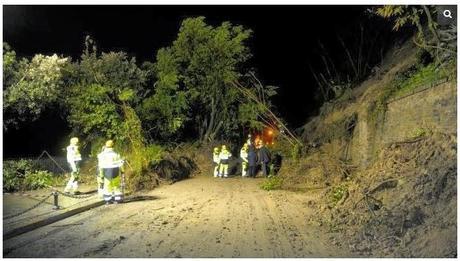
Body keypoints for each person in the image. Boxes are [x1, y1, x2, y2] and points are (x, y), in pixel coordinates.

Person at [98, 140, 124, 204]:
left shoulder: (102, 155)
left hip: (106, 171)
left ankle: (108, 200)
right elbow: (120, 164)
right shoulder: (116, 154)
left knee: (107, 186)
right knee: (116, 185)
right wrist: (122, 171)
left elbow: (100, 166)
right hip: (115, 171)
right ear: (113, 146)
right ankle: (118, 199)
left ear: (105, 146)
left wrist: (101, 175)